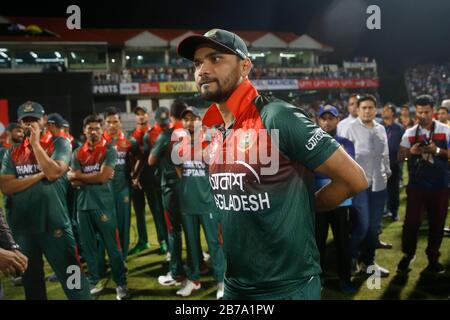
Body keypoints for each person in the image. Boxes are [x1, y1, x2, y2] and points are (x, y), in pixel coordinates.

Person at [177, 29, 368, 300]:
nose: (203, 70)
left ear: (245, 66)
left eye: (215, 59)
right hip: (235, 284)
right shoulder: (218, 129)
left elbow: (354, 179)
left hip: (287, 286)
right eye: (197, 63)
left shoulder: (277, 116)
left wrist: (304, 207)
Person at [0, 101, 91, 300]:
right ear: (19, 123)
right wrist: (38, 176)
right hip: (24, 229)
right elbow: (7, 187)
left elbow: (53, 172)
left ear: (44, 120)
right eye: (26, 120)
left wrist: (35, 144)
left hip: (55, 224)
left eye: (35, 119)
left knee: (73, 279)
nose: (30, 124)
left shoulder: (60, 143)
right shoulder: (11, 153)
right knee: (32, 285)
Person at [68, 114, 129, 300]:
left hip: (104, 205)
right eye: (90, 128)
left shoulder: (109, 150)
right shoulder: (77, 152)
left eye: (96, 128)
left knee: (113, 247)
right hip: (83, 206)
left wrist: (79, 175)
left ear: (101, 130)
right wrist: (93, 177)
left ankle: (121, 284)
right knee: (88, 248)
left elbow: (103, 177)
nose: (93, 131)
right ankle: (94, 280)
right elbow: (73, 184)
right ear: (84, 131)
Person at [174, 106, 225, 298]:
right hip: (188, 203)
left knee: (215, 244)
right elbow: (179, 169)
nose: (189, 122)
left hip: (208, 203)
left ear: (199, 121)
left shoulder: (211, 141)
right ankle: (193, 280)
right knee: (192, 244)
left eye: (192, 118)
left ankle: (221, 282)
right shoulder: (180, 144)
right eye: (185, 119)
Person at [397, 95, 450, 274]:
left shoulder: (445, 130)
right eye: (420, 112)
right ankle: (408, 254)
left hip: (440, 184)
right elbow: (400, 157)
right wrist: (410, 153)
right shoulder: (410, 133)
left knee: (437, 222)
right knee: (411, 222)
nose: (423, 115)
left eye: (426, 112)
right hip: (417, 185)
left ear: (433, 111)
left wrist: (436, 150)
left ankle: (433, 258)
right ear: (416, 111)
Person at [343, 94, 391, 277]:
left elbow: (385, 155)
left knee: (373, 228)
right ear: (358, 109)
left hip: (379, 185)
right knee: (362, 226)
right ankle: (351, 259)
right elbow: (344, 158)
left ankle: (369, 263)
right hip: (359, 185)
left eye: (371, 107)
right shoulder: (350, 129)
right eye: (364, 107)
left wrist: (387, 173)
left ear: (375, 109)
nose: (367, 111)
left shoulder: (380, 129)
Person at [315, 105, 356, 294]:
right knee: (318, 242)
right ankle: (319, 277)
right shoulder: (311, 143)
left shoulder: (347, 143)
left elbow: (346, 171)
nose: (327, 122)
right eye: (323, 118)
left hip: (341, 202)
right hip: (319, 202)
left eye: (331, 118)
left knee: (342, 243)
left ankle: (345, 278)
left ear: (337, 120)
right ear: (318, 120)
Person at [148, 103, 187, 287]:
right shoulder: (192, 132)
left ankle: (177, 273)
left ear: (171, 115)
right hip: (192, 187)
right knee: (193, 229)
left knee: (174, 231)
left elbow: (151, 160)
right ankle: (199, 267)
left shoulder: (166, 135)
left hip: (171, 187)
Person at [129, 106, 167, 255]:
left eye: (143, 113)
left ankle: (162, 240)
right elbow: (132, 158)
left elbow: (147, 158)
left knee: (157, 211)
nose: (141, 117)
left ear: (148, 115)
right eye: (137, 114)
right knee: (139, 212)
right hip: (136, 181)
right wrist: (133, 177)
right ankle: (143, 241)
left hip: (152, 179)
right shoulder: (132, 135)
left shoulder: (155, 133)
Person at [103, 107, 133, 260]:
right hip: (103, 191)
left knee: (123, 224)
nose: (112, 125)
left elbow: (138, 160)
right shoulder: (100, 142)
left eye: (115, 122)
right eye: (109, 122)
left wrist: (136, 176)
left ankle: (123, 257)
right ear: (105, 124)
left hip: (122, 189)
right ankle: (108, 256)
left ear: (120, 123)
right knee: (105, 225)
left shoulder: (129, 141)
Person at [381, 103, 405, 221]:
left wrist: (399, 160)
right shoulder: (378, 127)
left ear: (392, 113)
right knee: (381, 189)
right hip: (380, 164)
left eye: (386, 110)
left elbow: (403, 145)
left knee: (393, 189)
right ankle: (384, 210)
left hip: (394, 163)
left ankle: (394, 211)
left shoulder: (399, 128)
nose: (384, 111)